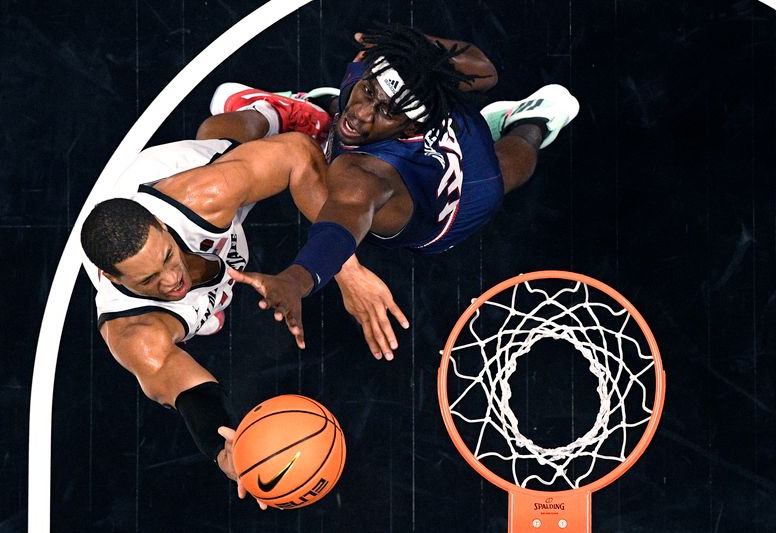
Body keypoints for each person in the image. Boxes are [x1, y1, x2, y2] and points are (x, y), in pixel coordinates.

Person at [208, 24, 579, 357]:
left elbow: (340, 225)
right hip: (439, 117)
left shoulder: (367, 175)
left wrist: (296, 279)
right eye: (367, 91)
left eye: (386, 111)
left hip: (453, 205)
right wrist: (415, 47)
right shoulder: (376, 65)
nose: (364, 113)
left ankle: (529, 121)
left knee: (512, 165)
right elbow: (485, 70)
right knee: (333, 121)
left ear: (405, 128)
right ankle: (312, 114)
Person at [80, 132, 329, 506]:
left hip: (185, 176)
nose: (171, 280)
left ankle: (264, 109)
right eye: (148, 279)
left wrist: (341, 266)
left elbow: (298, 152)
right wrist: (222, 450)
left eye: (166, 258)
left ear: (164, 229)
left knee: (246, 135)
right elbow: (189, 392)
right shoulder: (135, 331)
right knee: (173, 336)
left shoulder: (203, 196)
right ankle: (203, 308)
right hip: (184, 287)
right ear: (113, 279)